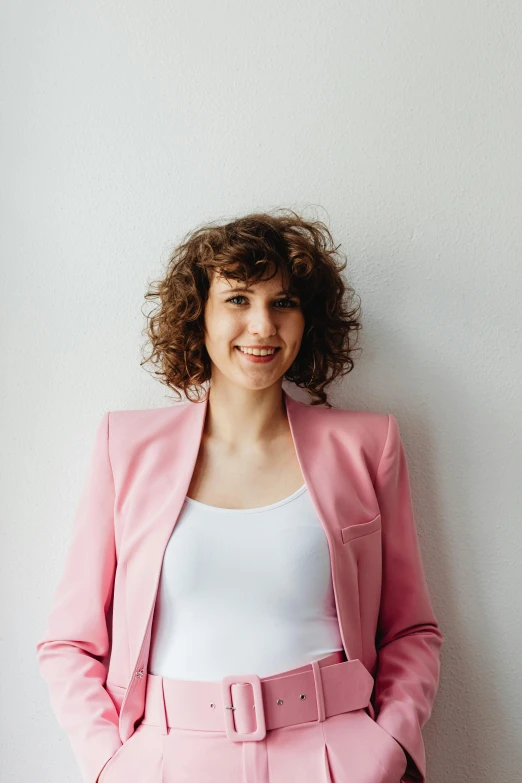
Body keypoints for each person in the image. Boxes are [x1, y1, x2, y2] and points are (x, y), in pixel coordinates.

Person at [36, 208, 444, 783]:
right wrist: (109, 763)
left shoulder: (368, 446)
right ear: (196, 315)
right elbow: (70, 642)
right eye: (237, 300)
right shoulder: (124, 447)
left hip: (334, 757)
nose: (262, 327)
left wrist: (389, 747)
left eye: (283, 302)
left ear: (308, 319)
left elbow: (410, 631)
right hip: (168, 760)